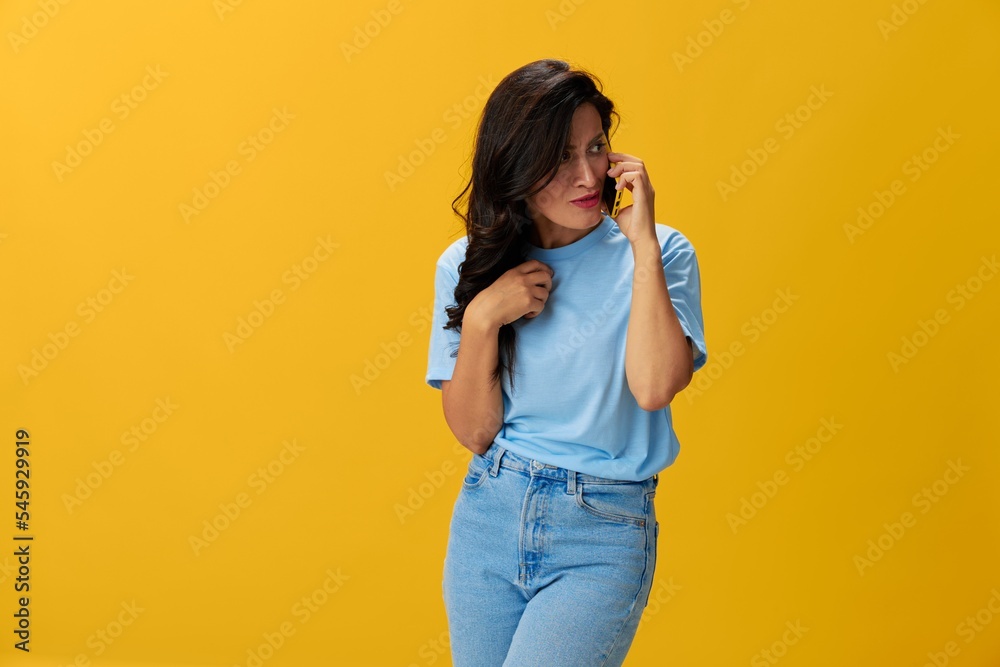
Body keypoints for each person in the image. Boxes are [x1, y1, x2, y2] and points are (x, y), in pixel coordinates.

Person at [424, 58, 708, 667]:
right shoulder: (468, 264)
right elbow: (474, 431)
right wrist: (481, 320)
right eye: (559, 158)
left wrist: (643, 248)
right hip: (489, 516)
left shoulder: (661, 253)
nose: (587, 175)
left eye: (596, 147)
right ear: (517, 168)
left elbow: (655, 387)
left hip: (602, 530)